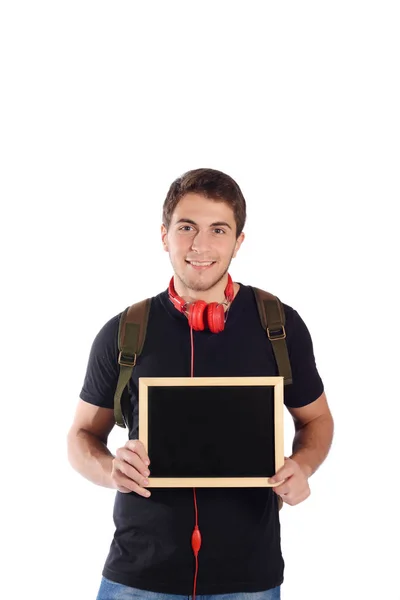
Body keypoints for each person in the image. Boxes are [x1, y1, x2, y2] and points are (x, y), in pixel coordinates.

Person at [67, 168, 334, 600]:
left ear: (238, 242)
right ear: (164, 234)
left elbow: (317, 418)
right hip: (139, 575)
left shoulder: (279, 326)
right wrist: (109, 469)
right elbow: (81, 436)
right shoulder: (124, 332)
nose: (201, 246)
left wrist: (302, 467)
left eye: (218, 230)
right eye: (186, 227)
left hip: (249, 576)